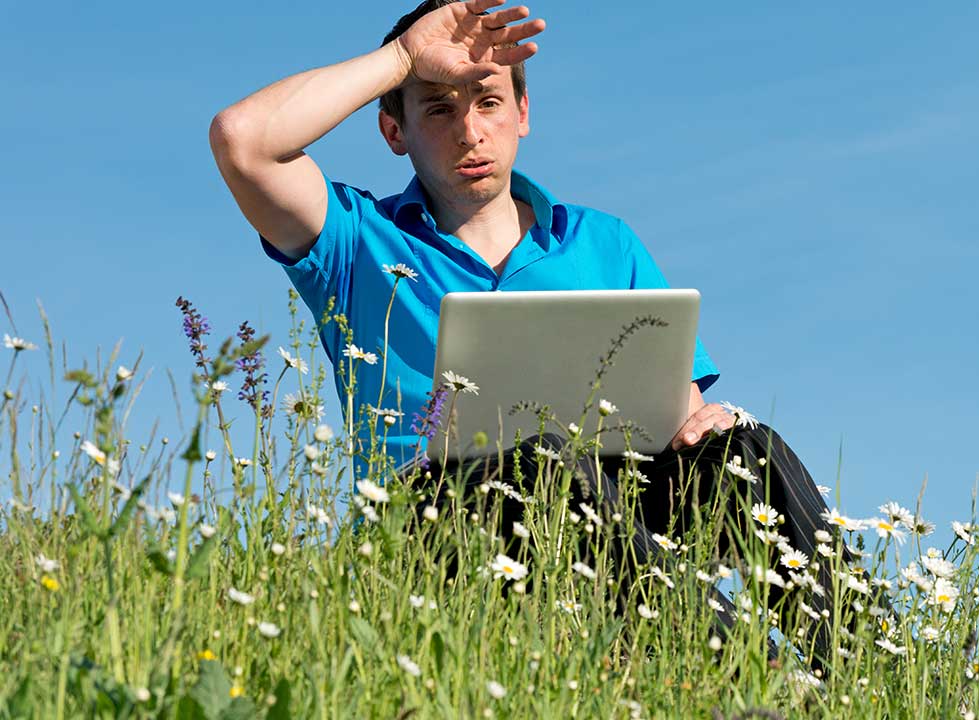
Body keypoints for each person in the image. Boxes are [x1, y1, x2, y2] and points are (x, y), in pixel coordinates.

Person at [208, 0, 873, 673]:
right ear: (393, 129)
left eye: (489, 102)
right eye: (438, 108)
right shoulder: (354, 240)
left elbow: (679, 413)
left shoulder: (604, 242)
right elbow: (243, 138)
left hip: (610, 508)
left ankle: (881, 679)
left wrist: (705, 423)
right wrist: (402, 60)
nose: (470, 131)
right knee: (542, 460)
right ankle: (753, 688)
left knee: (743, 451)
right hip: (432, 524)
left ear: (522, 114)